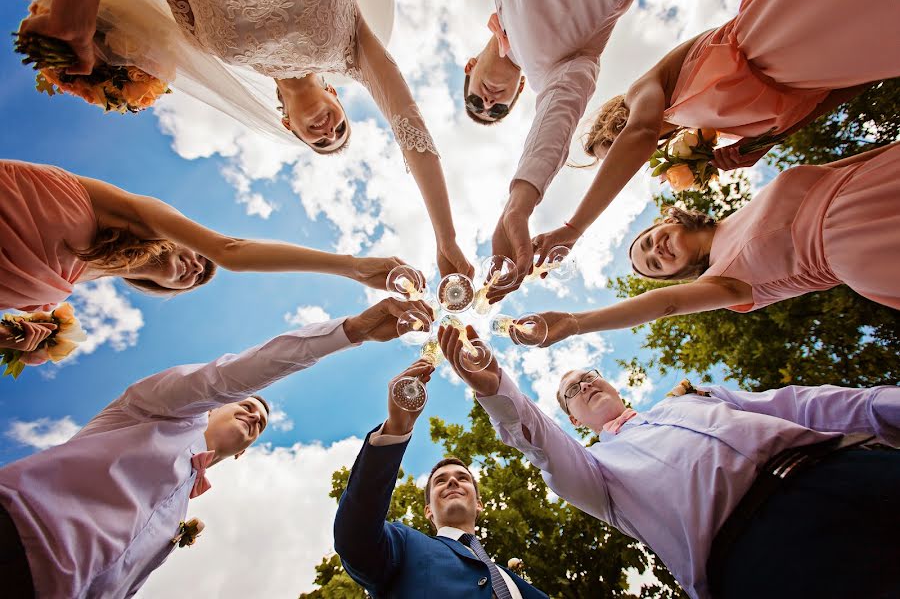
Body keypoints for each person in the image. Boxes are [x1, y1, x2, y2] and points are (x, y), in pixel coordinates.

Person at [0, 297, 431, 598]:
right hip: (18, 533)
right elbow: (229, 376)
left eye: (261, 423)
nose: (254, 416)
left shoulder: (177, 518)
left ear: (245, 451)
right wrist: (351, 330)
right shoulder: (154, 413)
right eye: (246, 407)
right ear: (212, 411)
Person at [19, 0, 473, 279]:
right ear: (336, 93)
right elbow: (410, 127)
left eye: (320, 142)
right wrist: (446, 236)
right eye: (341, 129)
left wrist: (76, 21)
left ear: (288, 126)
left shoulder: (210, 50)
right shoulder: (354, 46)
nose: (328, 131)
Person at [439, 324, 900, 599]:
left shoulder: (697, 397)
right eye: (571, 393)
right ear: (575, 419)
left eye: (588, 378)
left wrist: (887, 409)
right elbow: (538, 441)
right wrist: (494, 385)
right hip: (763, 556)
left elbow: (801, 406)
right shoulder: (596, 474)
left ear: (612, 385)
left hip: (852, 473)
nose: (584, 388)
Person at [526, 0, 900, 281]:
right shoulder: (711, 128)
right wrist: (763, 143)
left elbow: (639, 134)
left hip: (784, 29)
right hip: (838, 65)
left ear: (617, 119)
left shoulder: (647, 89)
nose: (632, 154)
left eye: (618, 144)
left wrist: (573, 228)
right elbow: (822, 96)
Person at [0, 159, 409, 353]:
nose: (196, 268)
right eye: (198, 260)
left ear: (155, 287)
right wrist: (353, 267)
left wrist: (17, 342)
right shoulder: (142, 215)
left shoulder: (65, 288)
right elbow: (229, 251)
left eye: (195, 279)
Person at [525, 141, 900, 347]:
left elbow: (842, 168)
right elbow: (666, 305)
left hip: (876, 180)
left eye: (650, 243)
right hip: (864, 246)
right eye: (655, 265)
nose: (656, 252)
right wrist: (575, 322)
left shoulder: (751, 208)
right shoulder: (723, 281)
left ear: (667, 222)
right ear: (677, 275)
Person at [334, 361, 549, 598]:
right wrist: (396, 429)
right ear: (428, 510)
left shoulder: (516, 583)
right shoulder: (404, 547)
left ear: (479, 504)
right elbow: (355, 538)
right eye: (440, 481)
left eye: (463, 478)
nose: (452, 482)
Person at [463, 0, 633, 291]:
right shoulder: (552, 73)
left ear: (470, 67)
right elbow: (557, 115)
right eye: (498, 110)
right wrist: (518, 204)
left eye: (475, 101)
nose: (489, 103)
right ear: (519, 88)